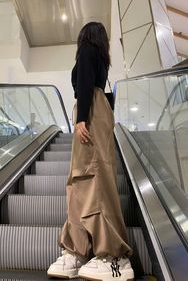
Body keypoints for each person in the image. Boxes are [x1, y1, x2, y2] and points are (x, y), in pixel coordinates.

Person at [47, 22, 134, 281]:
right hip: (96, 111)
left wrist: (82, 117)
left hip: (91, 112)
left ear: (86, 36)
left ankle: (113, 255)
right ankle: (78, 250)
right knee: (84, 178)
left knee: (91, 178)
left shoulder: (86, 50)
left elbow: (84, 83)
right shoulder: (100, 58)